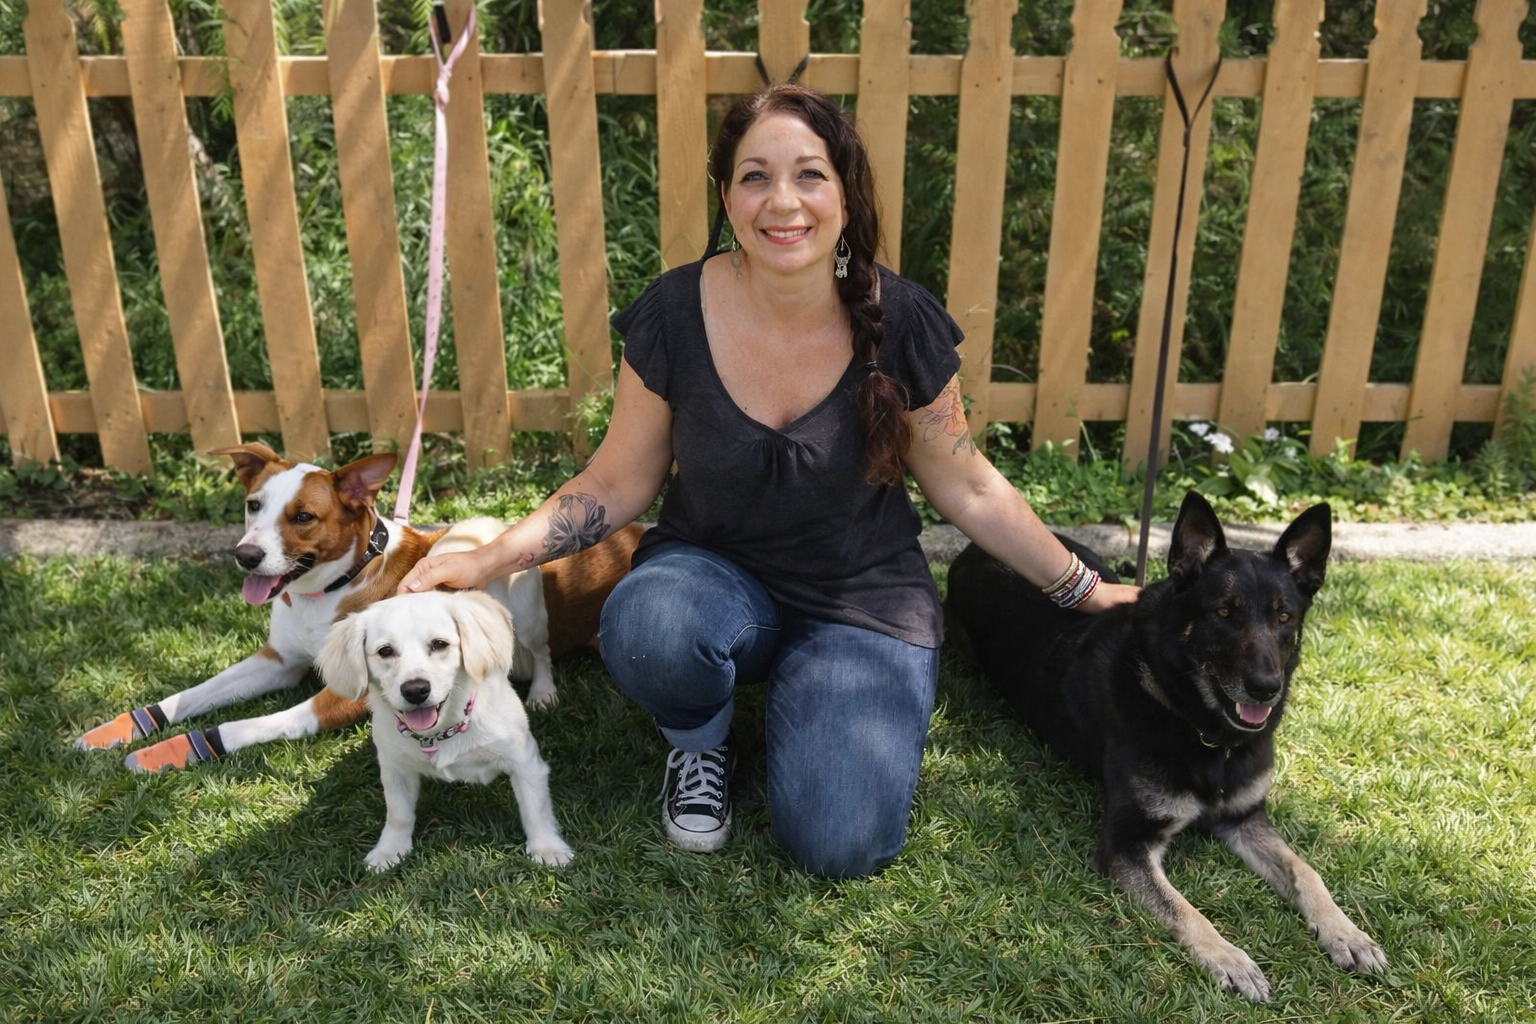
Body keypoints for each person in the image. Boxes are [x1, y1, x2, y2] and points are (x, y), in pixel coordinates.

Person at [399, 84, 1139, 879]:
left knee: (841, 842)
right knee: (647, 622)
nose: (782, 202)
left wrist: (1085, 590)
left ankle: (818, 689)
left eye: (809, 175)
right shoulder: (675, 312)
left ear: (847, 194)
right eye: (754, 176)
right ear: (726, 195)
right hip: (709, 583)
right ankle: (699, 740)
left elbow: (970, 486)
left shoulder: (903, 320)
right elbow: (615, 479)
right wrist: (485, 560)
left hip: (861, 603)